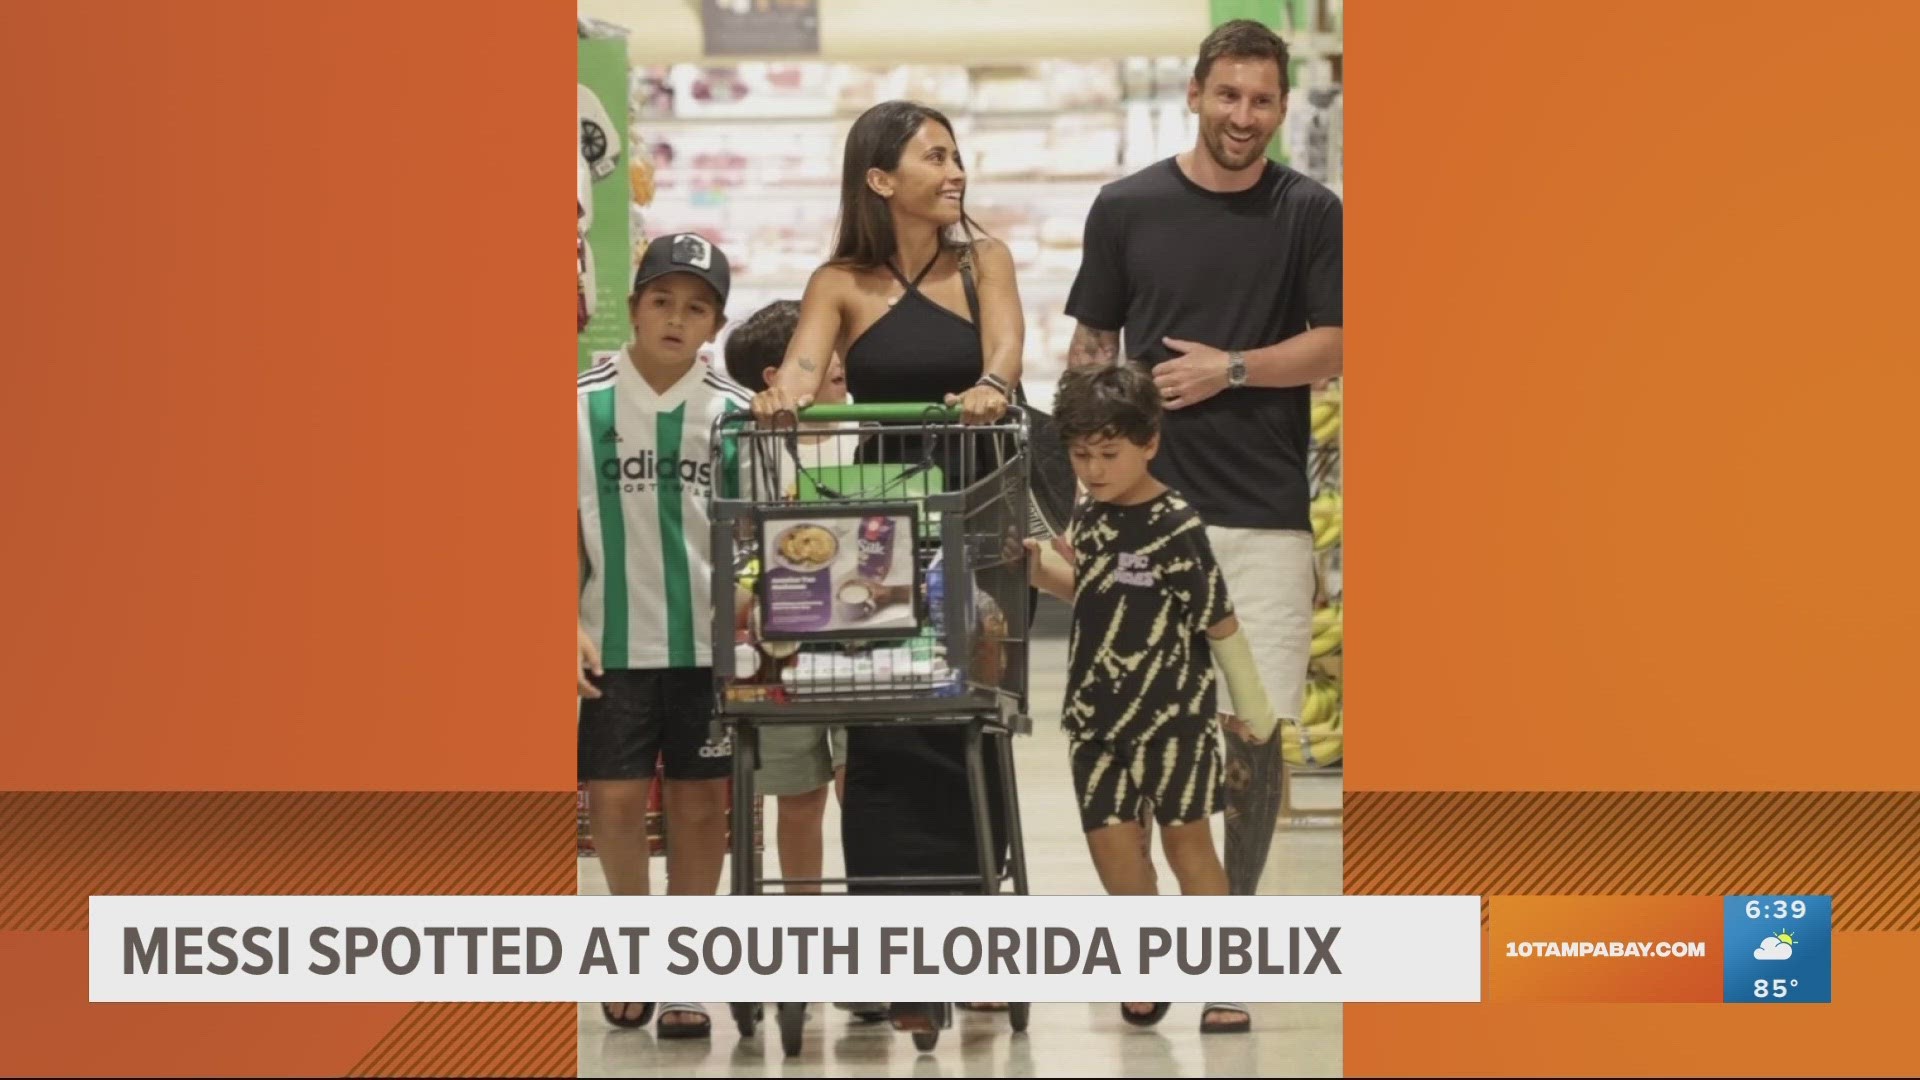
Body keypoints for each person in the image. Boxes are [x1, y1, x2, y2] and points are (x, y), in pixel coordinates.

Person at [1061, 18, 1343, 1035]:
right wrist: (1084, 486)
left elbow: (1338, 345)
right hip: (1138, 524)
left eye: (1262, 101)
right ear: (1194, 93)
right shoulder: (1126, 206)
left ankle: (1231, 952)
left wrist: (1228, 367)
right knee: (1136, 743)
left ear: (1278, 106)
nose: (1245, 117)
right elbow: (1091, 349)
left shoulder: (1312, 211)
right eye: (1228, 96)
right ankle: (1146, 951)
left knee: (1251, 737)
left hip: (1263, 521)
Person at [746, 99, 1024, 1037]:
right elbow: (799, 371)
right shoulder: (841, 282)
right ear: (880, 179)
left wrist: (990, 389)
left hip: (978, 515)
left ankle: (973, 943)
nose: (955, 171)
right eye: (934, 156)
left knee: (965, 727)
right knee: (880, 731)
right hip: (885, 524)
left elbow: (1006, 358)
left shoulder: (987, 264)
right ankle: (897, 958)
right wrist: (779, 398)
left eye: (957, 155)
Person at [1025, 364, 1276, 1034]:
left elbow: (1219, 621)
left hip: (1174, 721)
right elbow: (1091, 589)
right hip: (1095, 718)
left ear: (1150, 443)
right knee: (1111, 847)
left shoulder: (1176, 525)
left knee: (1187, 845)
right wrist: (1039, 568)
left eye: (1109, 455)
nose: (1094, 470)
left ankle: (1225, 978)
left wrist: (1252, 709)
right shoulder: (1092, 515)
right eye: (1081, 456)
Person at [577, 232, 752, 1040]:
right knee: (611, 799)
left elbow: (762, 536)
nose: (677, 319)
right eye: (663, 301)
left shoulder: (738, 417)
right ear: (637, 303)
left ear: (714, 323)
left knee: (699, 803)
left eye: (697, 307)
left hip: (710, 648)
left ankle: (683, 965)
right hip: (608, 639)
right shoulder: (578, 403)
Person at [720, 300, 849, 890]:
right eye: (820, 354)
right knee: (798, 800)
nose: (838, 361)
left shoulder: (873, 437)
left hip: (866, 649)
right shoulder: (754, 451)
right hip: (779, 652)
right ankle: (805, 924)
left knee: (863, 789)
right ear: (775, 379)